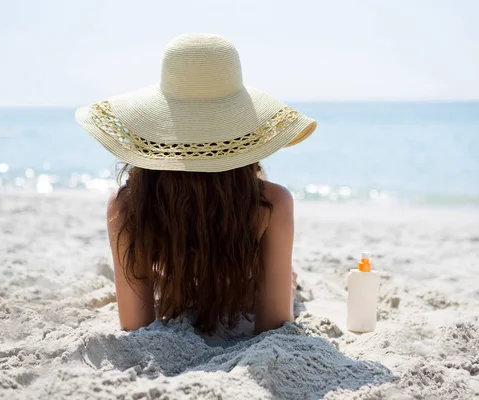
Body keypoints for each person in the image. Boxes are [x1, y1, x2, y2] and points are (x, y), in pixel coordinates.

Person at [75, 33, 317, 334]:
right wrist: (288, 291)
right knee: (286, 276)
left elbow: (136, 325)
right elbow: (274, 327)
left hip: (177, 276)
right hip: (242, 278)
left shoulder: (127, 205)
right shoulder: (272, 204)